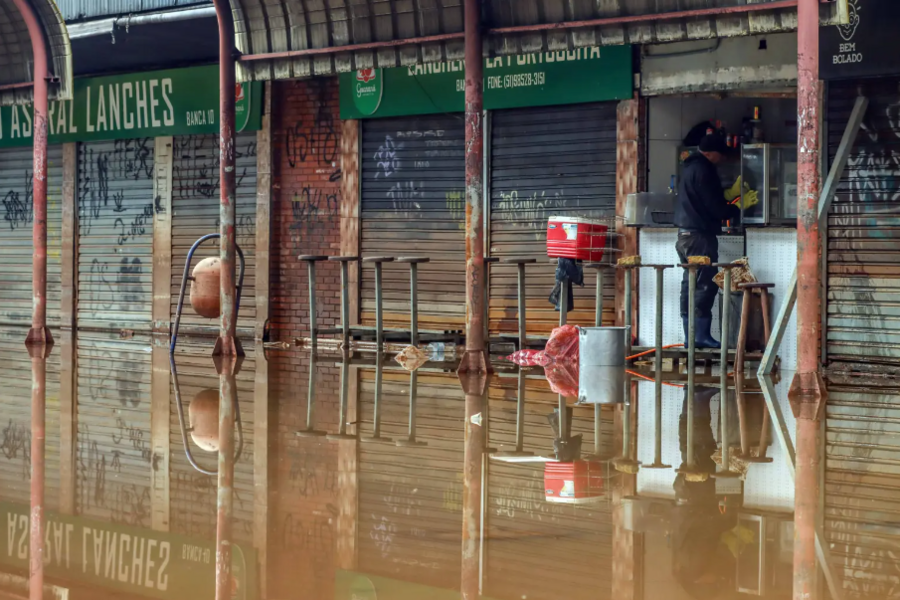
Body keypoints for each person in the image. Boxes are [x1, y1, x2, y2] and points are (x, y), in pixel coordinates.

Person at [675, 133, 740, 349]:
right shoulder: (705, 169)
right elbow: (715, 207)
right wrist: (735, 207)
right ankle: (700, 337)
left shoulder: (689, 168)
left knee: (690, 284)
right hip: (700, 238)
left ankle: (690, 337)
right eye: (720, 155)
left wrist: (727, 197)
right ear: (711, 154)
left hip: (684, 237)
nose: (722, 160)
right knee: (704, 286)